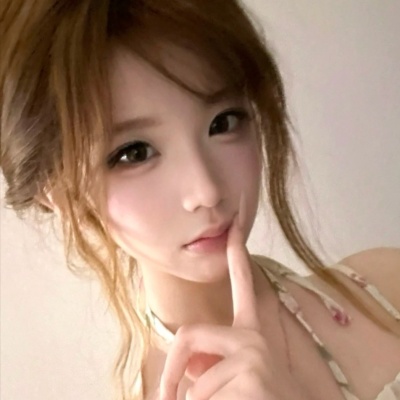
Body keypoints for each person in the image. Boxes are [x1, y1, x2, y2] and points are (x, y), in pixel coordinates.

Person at [1, 0, 399, 399]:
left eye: (222, 122)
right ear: (58, 193)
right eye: (134, 153)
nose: (206, 190)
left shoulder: (387, 284)